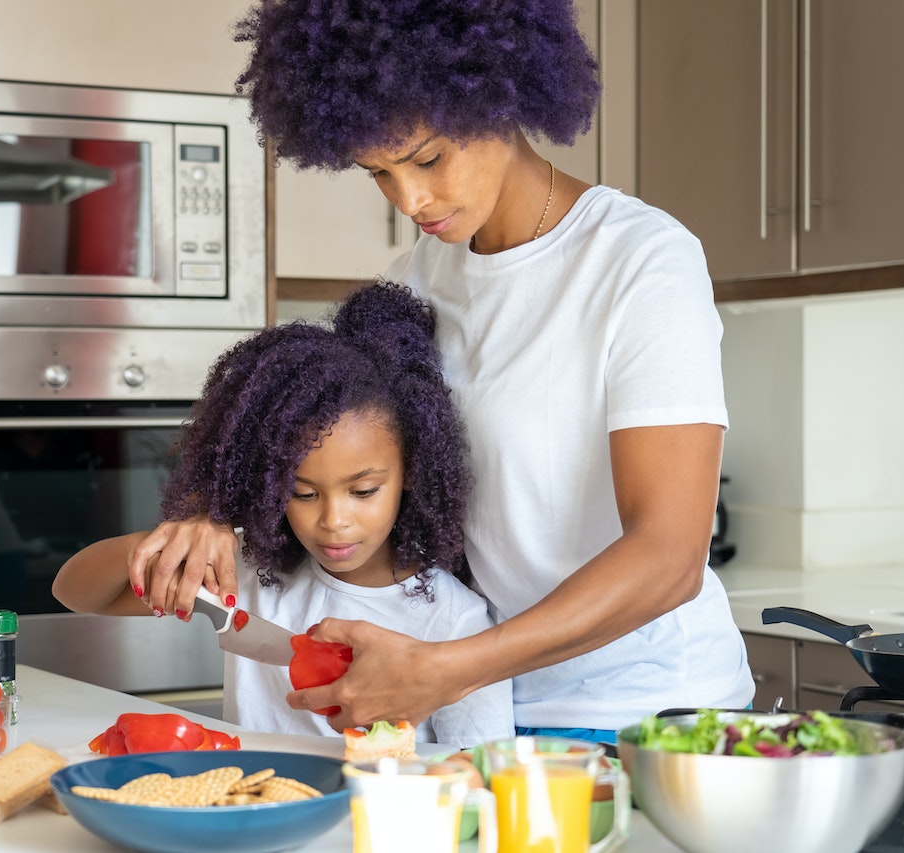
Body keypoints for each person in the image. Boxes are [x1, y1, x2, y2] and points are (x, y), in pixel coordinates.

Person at [121, 0, 756, 742]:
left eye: (427, 158)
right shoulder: (417, 279)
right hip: (487, 704)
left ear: (500, 94)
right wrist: (206, 505)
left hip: (642, 711)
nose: (409, 200)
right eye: (378, 174)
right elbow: (310, 421)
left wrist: (450, 665)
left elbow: (668, 556)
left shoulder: (639, 260)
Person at [52, 281, 515, 748]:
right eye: (303, 493)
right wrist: (148, 547)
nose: (334, 520)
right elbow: (77, 594)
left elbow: (480, 767)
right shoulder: (250, 577)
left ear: (412, 472)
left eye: (364, 490)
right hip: (250, 808)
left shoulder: (456, 623)